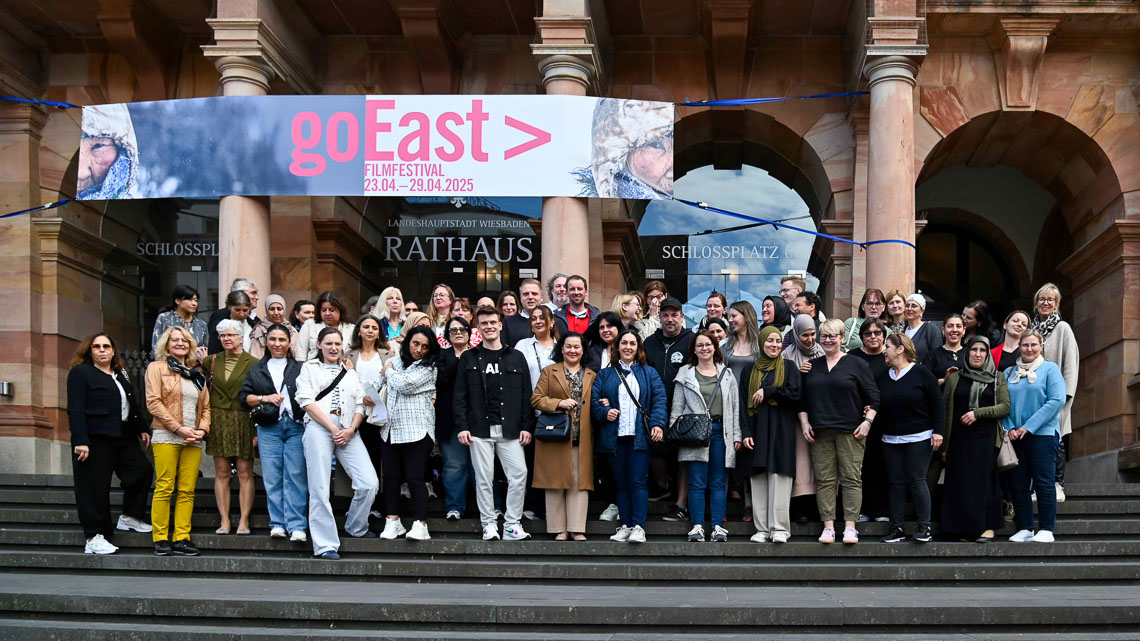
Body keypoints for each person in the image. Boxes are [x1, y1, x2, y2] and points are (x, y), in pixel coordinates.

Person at [453, 306, 536, 541]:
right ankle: (488, 523)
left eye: (493, 322)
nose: (489, 326)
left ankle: (511, 524)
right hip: (479, 428)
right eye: (484, 323)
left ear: (500, 325)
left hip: (510, 429)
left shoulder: (516, 357)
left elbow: (525, 394)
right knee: (484, 478)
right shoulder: (469, 357)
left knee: (519, 474)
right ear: (478, 328)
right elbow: (460, 396)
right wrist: (462, 426)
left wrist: (526, 426)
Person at [297, 327, 379, 559]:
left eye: (337, 343)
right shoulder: (309, 368)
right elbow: (306, 401)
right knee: (320, 488)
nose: (333, 348)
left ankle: (356, 526)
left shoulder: (349, 371)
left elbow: (360, 404)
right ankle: (325, 545)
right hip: (319, 430)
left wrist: (351, 429)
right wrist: (333, 429)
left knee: (369, 483)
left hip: (348, 431)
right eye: (329, 343)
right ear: (320, 345)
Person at [67, 333, 153, 555]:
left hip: (122, 435)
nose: (102, 350)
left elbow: (131, 404)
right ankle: (94, 536)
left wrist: (142, 428)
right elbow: (75, 408)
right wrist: (80, 441)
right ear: (90, 351)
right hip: (94, 438)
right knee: (93, 487)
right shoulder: (81, 373)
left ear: (114, 350)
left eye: (107, 346)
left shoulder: (121, 373)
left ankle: (130, 517)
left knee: (141, 471)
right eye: (97, 347)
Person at [799, 318, 880, 545]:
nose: (828, 340)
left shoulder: (856, 364)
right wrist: (805, 424)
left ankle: (851, 527)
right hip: (820, 431)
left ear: (842, 338)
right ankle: (828, 527)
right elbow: (802, 400)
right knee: (825, 480)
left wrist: (867, 422)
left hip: (850, 431)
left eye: (833, 335)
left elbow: (874, 397)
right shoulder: (811, 366)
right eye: (824, 336)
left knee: (851, 479)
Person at [591, 329, 667, 544]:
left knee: (637, 482)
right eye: (624, 343)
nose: (628, 347)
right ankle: (625, 525)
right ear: (617, 347)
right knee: (621, 484)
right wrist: (605, 412)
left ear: (638, 348)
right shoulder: (606, 374)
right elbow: (594, 402)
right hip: (615, 437)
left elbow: (659, 400)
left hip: (639, 437)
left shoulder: (649, 373)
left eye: (632, 344)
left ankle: (639, 526)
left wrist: (658, 424)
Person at [240, 323, 308, 541]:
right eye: (273, 339)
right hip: (269, 426)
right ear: (266, 342)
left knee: (296, 475)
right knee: (272, 476)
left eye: (282, 340)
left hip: (296, 425)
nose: (277, 344)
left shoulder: (300, 367)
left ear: (289, 343)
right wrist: (265, 398)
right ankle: (277, 523)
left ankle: (297, 525)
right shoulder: (256, 368)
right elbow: (245, 398)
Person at [145, 326, 210, 556]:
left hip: (193, 438)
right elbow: (153, 402)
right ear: (166, 344)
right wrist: (179, 428)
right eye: (175, 340)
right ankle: (161, 537)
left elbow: (206, 408)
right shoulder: (156, 368)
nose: (180, 343)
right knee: (164, 487)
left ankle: (182, 537)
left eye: (184, 340)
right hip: (166, 435)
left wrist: (202, 430)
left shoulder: (195, 373)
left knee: (187, 490)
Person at [672, 330, 742, 542]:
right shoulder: (685, 373)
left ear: (715, 347)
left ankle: (718, 526)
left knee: (719, 483)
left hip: (721, 431)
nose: (704, 348)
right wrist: (675, 432)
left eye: (708, 344)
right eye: (700, 345)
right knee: (697, 483)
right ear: (694, 349)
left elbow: (734, 407)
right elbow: (677, 408)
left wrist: (737, 434)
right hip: (694, 434)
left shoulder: (726, 374)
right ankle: (697, 526)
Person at [940, 336, 1010, 542]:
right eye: (973, 350)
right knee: (961, 483)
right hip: (959, 439)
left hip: (986, 439)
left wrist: (978, 413)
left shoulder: (997, 377)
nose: (978, 354)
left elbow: (1005, 406)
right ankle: (962, 529)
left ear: (987, 354)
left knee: (984, 484)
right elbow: (945, 410)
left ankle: (986, 528)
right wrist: (944, 444)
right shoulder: (955, 378)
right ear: (967, 352)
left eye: (982, 350)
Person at [875, 334, 944, 544]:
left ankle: (924, 527)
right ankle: (896, 527)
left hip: (919, 437)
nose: (883, 350)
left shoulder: (921, 373)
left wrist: (938, 431)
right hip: (890, 439)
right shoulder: (883, 377)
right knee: (895, 483)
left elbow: (937, 404)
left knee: (917, 480)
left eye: (887, 346)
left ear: (900, 349)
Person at [377, 326, 440, 541]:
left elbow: (405, 385)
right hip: (390, 429)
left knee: (415, 477)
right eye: (416, 344)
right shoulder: (395, 362)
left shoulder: (429, 367)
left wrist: (389, 370)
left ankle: (420, 524)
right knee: (391, 477)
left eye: (425, 346)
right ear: (408, 343)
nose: (419, 349)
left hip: (418, 429)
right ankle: (392, 521)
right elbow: (379, 383)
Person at [531, 332, 596, 540]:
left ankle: (577, 528)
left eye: (576, 347)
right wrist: (558, 403)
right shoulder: (550, 371)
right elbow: (536, 399)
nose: (572, 350)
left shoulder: (591, 375)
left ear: (583, 350)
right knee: (555, 482)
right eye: (568, 346)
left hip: (582, 437)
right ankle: (559, 528)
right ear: (561, 349)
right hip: (556, 436)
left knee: (579, 482)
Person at [1004, 330, 1067, 543]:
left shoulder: (1051, 369)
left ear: (1041, 346)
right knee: (1018, 483)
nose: (1029, 349)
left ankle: (1047, 529)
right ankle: (1025, 527)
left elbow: (1056, 400)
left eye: (1033, 345)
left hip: (1043, 435)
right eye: (1025, 345)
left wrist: (1029, 427)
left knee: (1044, 482)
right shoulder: (1008, 372)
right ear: (1019, 347)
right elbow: (1002, 403)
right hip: (1015, 437)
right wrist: (1010, 427)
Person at [742, 326, 801, 543]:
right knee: (758, 477)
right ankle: (762, 529)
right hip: (757, 429)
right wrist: (745, 431)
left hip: (782, 429)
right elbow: (742, 403)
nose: (774, 345)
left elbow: (795, 394)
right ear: (761, 342)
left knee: (780, 476)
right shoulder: (750, 370)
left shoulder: (789, 367)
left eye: (778, 341)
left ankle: (780, 529)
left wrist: (769, 390)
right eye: (769, 341)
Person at [202, 319, 259, 536]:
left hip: (243, 418)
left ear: (241, 337)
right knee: (222, 472)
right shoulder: (210, 361)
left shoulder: (253, 362)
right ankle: (224, 520)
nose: (226, 339)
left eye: (231, 335)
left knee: (245, 472)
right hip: (218, 419)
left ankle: (244, 520)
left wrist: (256, 430)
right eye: (223, 335)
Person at [643, 296, 695, 517]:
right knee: (656, 448)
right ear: (659, 317)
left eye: (674, 315)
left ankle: (681, 503)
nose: (670, 319)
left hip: (684, 407)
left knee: (683, 454)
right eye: (665, 315)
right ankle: (663, 485)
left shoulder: (691, 340)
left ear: (682, 317)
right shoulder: (649, 342)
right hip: (656, 406)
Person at [1032, 283, 1079, 503]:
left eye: (1050, 300)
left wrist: (1066, 396)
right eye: (1042, 299)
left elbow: (1071, 364)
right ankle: (1036, 485)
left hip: (1056, 395)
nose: (1045, 303)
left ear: (1057, 304)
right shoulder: (1031, 330)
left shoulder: (1062, 328)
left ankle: (1058, 483)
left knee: (1056, 438)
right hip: (1034, 395)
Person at [844, 317, 890, 523]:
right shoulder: (852, 357)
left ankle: (881, 510)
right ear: (861, 337)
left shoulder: (890, 357)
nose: (873, 337)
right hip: (856, 419)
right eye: (868, 333)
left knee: (882, 465)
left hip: (885, 420)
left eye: (877, 333)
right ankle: (861, 509)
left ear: (884, 335)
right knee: (860, 467)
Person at [346, 314, 393, 516]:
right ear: (359, 330)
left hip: (380, 413)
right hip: (354, 412)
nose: (370, 330)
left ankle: (375, 505)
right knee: (356, 459)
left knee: (377, 458)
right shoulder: (348, 355)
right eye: (366, 326)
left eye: (374, 327)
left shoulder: (387, 354)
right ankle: (356, 504)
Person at [780, 314, 821, 519]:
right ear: (796, 334)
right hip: (795, 418)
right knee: (801, 465)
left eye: (813, 334)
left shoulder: (822, 351)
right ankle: (800, 509)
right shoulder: (787, 354)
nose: (810, 339)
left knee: (818, 465)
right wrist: (797, 372)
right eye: (805, 335)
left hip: (820, 416)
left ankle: (818, 509)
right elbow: (781, 382)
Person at [436, 317, 473, 520]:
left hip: (477, 420)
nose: (458, 332)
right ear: (447, 335)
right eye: (453, 330)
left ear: (469, 332)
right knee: (454, 465)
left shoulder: (479, 354)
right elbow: (440, 381)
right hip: (448, 419)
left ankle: (492, 508)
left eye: (462, 329)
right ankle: (455, 507)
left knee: (481, 467)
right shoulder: (441, 357)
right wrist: (460, 360)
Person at [295, 291, 356, 362]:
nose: (327, 313)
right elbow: (300, 352)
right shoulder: (310, 325)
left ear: (340, 310)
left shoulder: (351, 328)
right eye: (323, 310)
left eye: (331, 310)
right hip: (314, 370)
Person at [151, 284, 208, 358]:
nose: (194, 304)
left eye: (196, 300)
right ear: (177, 301)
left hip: (194, 367)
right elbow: (156, 346)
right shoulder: (165, 318)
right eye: (190, 300)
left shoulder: (201, 324)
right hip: (169, 366)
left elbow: (204, 349)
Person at [207, 279, 259, 353]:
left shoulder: (254, 323)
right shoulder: (220, 318)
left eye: (245, 310)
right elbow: (214, 349)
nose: (241, 314)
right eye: (253, 293)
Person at [517, 306, 559, 390]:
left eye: (542, 318)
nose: (538, 321)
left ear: (552, 322)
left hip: (556, 400)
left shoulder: (561, 347)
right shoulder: (522, 345)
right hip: (529, 399)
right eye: (534, 319)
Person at [249, 294, 299, 360]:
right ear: (267, 311)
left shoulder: (292, 330)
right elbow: (255, 357)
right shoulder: (259, 330)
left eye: (279, 309)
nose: (276, 313)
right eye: (272, 309)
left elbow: (297, 355)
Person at [841, 288, 889, 353]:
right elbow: (840, 347)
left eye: (877, 304)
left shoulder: (888, 331)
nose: (874, 307)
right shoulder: (851, 323)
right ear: (863, 306)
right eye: (870, 303)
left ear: (883, 307)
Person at [926, 314, 966, 385]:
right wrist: (944, 380)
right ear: (943, 330)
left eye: (958, 326)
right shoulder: (933, 355)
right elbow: (925, 382)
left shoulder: (969, 354)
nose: (954, 330)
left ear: (964, 330)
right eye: (950, 326)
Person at [902, 293, 941, 364]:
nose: (909, 309)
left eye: (914, 306)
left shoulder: (930, 329)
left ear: (922, 310)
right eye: (907, 306)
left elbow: (937, 357)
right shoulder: (902, 332)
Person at [505, 279, 544, 347]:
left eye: (534, 294)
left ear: (541, 298)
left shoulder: (552, 321)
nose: (530, 297)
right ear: (520, 298)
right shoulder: (508, 323)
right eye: (526, 294)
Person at [376, 286, 406, 352]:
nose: (395, 301)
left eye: (398, 299)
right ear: (383, 302)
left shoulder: (407, 324)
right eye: (390, 298)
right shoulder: (377, 324)